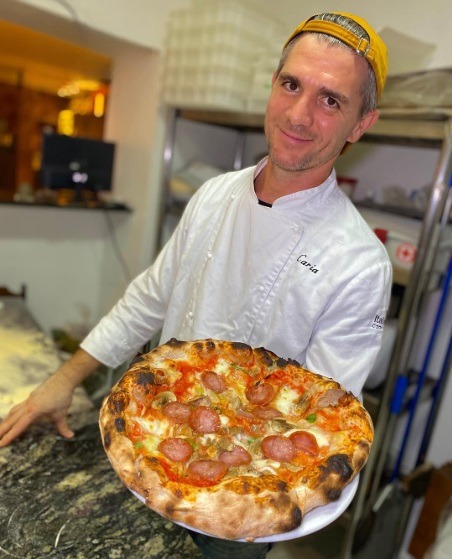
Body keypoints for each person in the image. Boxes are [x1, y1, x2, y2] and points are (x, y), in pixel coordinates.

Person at [0, 11, 391, 559]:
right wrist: (65, 379)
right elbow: (150, 296)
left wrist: (217, 464)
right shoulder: (213, 194)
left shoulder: (360, 262)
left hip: (245, 500)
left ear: (360, 124)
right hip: (149, 446)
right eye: (291, 85)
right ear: (273, 86)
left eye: (331, 100)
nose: (299, 115)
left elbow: (321, 419)